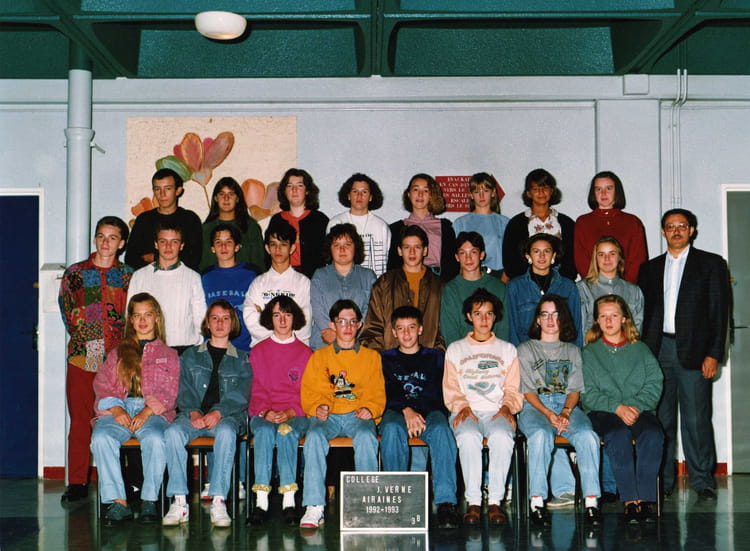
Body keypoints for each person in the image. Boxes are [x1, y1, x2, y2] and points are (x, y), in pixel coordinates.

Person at [638, 208, 730, 500]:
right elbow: (643, 316)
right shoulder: (649, 269)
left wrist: (714, 354)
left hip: (695, 352)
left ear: (691, 230)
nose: (676, 231)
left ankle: (702, 480)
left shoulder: (711, 264)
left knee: (696, 420)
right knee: (661, 420)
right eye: (670, 226)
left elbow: (720, 312)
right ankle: (663, 481)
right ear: (663, 232)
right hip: (658, 352)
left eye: (682, 226)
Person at [59, 216, 133, 503]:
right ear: (94, 239)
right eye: (101, 236)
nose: (105, 242)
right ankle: (77, 482)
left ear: (121, 243)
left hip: (118, 358)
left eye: (112, 237)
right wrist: (89, 341)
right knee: (81, 420)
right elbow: (67, 311)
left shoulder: (127, 276)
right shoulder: (76, 273)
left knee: (119, 418)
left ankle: (122, 484)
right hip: (85, 355)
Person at [90, 293, 179, 524]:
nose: (142, 321)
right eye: (137, 315)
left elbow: (171, 391)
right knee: (101, 438)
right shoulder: (117, 353)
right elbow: (102, 384)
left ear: (156, 317)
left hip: (152, 411)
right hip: (118, 408)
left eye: (147, 315)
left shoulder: (169, 355)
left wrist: (146, 411)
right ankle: (119, 502)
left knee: (156, 439)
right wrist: (116, 409)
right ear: (130, 320)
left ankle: (149, 499)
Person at [163, 300, 252, 527]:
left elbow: (242, 394)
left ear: (233, 323)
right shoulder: (190, 355)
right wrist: (193, 411)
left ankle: (219, 500)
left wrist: (218, 412)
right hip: (193, 415)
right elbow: (182, 387)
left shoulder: (243, 359)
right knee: (172, 432)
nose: (220, 323)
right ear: (207, 323)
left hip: (226, 418)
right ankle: (179, 501)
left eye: (225, 318)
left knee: (226, 433)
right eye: (215, 318)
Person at [298, 300, 385, 530]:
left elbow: (377, 392)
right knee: (314, 437)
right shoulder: (319, 356)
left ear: (360, 325)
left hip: (358, 415)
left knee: (366, 437)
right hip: (330, 416)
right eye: (342, 322)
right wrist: (318, 407)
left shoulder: (372, 357)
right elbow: (310, 390)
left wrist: (370, 409)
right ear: (332, 325)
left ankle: (367, 504)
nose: (347, 327)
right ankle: (314, 505)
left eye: (352, 321)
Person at [517, 295, 601, 527]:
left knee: (588, 436)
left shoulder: (573, 351)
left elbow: (574, 390)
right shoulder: (525, 349)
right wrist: (548, 414)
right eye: (545, 314)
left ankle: (591, 503)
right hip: (535, 407)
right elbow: (527, 391)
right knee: (540, 435)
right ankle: (537, 503)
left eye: (555, 315)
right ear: (538, 320)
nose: (550, 320)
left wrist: (564, 412)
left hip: (567, 406)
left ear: (562, 319)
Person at [581, 295, 664, 523]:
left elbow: (655, 383)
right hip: (604, 412)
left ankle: (644, 500)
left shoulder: (641, 350)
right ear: (597, 321)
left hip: (639, 409)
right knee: (618, 435)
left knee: (653, 434)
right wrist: (617, 408)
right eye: (603, 316)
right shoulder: (589, 353)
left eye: (614, 315)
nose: (609, 321)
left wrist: (635, 407)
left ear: (624, 319)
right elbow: (587, 393)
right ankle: (629, 501)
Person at [443, 288, 522, 525]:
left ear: (495, 316)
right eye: (478, 314)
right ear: (469, 316)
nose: (484, 319)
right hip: (466, 410)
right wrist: (462, 406)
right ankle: (474, 502)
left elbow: (513, 388)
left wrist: (507, 407)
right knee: (468, 437)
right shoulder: (456, 349)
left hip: (497, 410)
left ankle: (496, 501)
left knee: (502, 437)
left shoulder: (507, 349)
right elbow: (450, 387)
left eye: (489, 313)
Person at [379, 306, 459, 529]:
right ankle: (396, 500)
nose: (406, 334)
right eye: (400, 328)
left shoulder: (435, 357)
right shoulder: (385, 358)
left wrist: (417, 414)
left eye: (411, 327)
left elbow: (437, 392)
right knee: (392, 429)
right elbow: (386, 392)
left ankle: (446, 502)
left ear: (421, 329)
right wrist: (406, 410)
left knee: (442, 430)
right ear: (393, 332)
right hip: (396, 411)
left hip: (429, 411)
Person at [248, 296, 312, 525]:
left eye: (287, 314)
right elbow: (255, 390)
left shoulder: (306, 354)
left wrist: (291, 412)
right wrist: (266, 412)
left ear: (295, 318)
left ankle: (289, 501)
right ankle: (261, 502)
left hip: (296, 414)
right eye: (277, 315)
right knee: (264, 432)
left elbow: (310, 394)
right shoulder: (258, 351)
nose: (282, 320)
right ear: (270, 318)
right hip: (264, 413)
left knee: (285, 431)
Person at [361, 225, 444, 351]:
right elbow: (373, 327)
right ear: (399, 251)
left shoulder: (438, 286)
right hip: (391, 355)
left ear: (425, 250)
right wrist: (381, 357)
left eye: (417, 247)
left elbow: (444, 329)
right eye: (407, 247)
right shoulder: (385, 283)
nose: (412, 252)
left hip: (428, 357)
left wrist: (435, 355)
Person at [126, 222, 206, 353]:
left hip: (184, 349)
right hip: (148, 348)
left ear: (182, 245)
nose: (168, 246)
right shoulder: (139, 276)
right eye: (163, 241)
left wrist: (196, 345)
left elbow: (200, 319)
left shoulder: (193, 278)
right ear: (156, 244)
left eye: (174, 242)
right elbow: (129, 315)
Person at [242, 218, 312, 346]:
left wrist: (263, 316)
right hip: (263, 349)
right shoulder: (258, 283)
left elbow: (304, 324)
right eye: (273, 244)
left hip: (296, 349)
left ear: (292, 248)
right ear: (267, 248)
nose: (278, 249)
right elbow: (250, 320)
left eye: (283, 244)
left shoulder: (303, 283)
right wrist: (285, 328)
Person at [506, 234, 582, 347]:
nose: (542, 256)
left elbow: (576, 326)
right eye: (536, 251)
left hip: (561, 350)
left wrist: (575, 352)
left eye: (547, 251)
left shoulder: (568, 287)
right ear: (528, 256)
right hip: (527, 351)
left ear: (553, 255)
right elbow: (512, 327)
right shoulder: (515, 287)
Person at [310, 224, 377, 350]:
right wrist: (328, 330)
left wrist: (352, 332)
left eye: (347, 244)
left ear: (355, 247)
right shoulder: (319, 275)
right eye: (336, 245)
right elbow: (317, 308)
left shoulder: (368, 276)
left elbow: (369, 310)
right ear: (330, 248)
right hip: (325, 341)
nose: (342, 249)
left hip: (358, 342)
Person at [574, 171, 647, 284]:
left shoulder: (632, 222)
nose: (603, 193)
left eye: (609, 188)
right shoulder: (583, 222)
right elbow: (581, 260)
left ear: (617, 191)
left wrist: (625, 286)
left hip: (626, 287)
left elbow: (638, 259)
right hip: (593, 286)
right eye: (598, 189)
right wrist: (595, 284)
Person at [502, 168, 576, 281]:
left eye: (545, 188)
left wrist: (559, 280)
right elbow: (510, 261)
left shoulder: (566, 223)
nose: (541, 192)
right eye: (535, 189)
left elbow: (572, 259)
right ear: (528, 193)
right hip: (526, 283)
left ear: (552, 191)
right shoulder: (516, 224)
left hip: (560, 283)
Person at [125, 168, 202, 271]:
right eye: (158, 189)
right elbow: (130, 258)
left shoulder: (190, 219)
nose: (162, 194)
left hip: (182, 277)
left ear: (178, 190)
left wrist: (155, 257)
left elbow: (194, 258)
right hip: (149, 277)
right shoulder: (144, 219)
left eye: (168, 188)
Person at [441, 231, 509, 345]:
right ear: (457, 257)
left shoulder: (498, 287)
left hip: (494, 350)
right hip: (462, 351)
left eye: (473, 252)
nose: (468, 258)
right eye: (463, 253)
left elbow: (503, 327)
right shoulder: (450, 289)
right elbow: (449, 330)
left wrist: (498, 351)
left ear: (482, 255)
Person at [386, 173, 459, 280]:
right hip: (407, 280)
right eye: (416, 189)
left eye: (425, 190)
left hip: (439, 280)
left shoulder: (445, 227)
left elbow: (453, 264)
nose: (420, 194)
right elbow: (392, 266)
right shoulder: (396, 228)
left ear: (431, 195)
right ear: (408, 194)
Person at [201, 223, 258, 352]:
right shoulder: (206, 276)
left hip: (245, 347)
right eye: (218, 242)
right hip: (213, 347)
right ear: (212, 248)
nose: (223, 246)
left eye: (228, 242)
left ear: (237, 247)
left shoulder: (251, 274)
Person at [268, 168, 329, 278]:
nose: (294, 190)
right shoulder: (277, 220)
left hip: (314, 277)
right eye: (289, 186)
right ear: (284, 191)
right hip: (283, 276)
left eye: (300, 186)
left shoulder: (320, 220)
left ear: (307, 191)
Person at [327, 173, 391, 277]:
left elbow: (387, 260)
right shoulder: (336, 222)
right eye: (355, 191)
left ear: (370, 197)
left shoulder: (381, 226)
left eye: (364, 192)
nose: (359, 196)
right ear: (348, 195)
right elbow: (330, 258)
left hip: (376, 284)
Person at [577, 236, 644, 332]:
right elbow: (580, 328)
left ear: (619, 257)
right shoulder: (582, 289)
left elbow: (637, 329)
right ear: (595, 258)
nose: (607, 258)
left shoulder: (634, 291)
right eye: (601, 254)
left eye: (612, 254)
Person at [199, 177, 266, 273]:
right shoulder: (205, 229)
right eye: (222, 194)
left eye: (231, 194)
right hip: (213, 280)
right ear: (215, 198)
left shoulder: (250, 227)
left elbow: (259, 264)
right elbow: (202, 265)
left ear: (237, 198)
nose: (226, 198)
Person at [452, 172, 510, 278]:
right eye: (477, 192)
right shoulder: (460, 223)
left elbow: (510, 256)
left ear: (493, 193)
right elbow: (455, 255)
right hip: (469, 274)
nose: (481, 196)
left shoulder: (504, 222)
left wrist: (504, 278)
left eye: (486, 191)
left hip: (497, 275)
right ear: (471, 195)